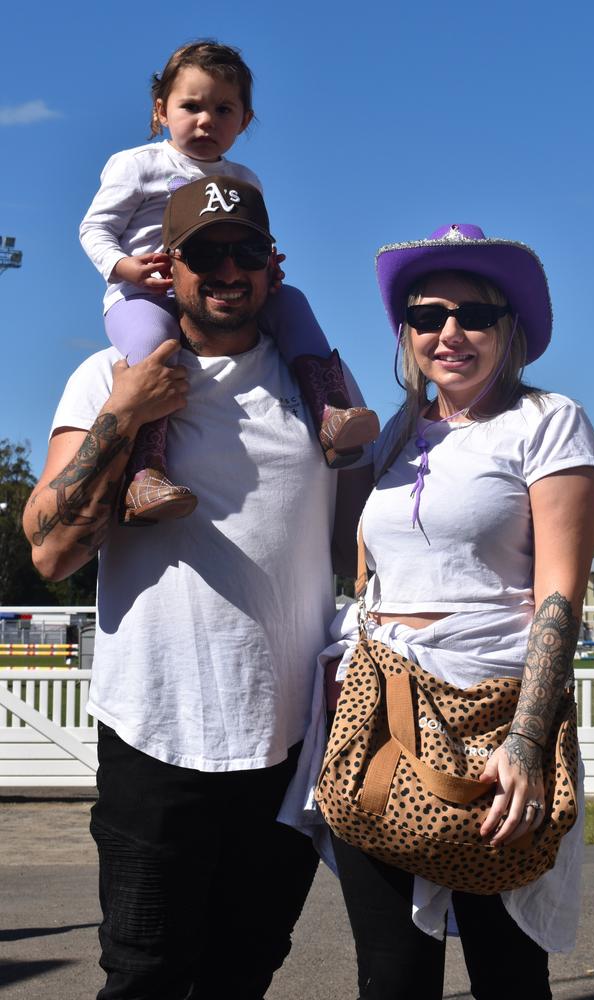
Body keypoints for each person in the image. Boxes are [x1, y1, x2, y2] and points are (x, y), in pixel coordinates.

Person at [24, 175, 372, 1000]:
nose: (227, 269)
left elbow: (360, 542)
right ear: (166, 268)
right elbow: (49, 550)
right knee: (144, 976)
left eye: (244, 249)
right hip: (157, 731)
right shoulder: (108, 373)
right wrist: (124, 414)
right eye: (204, 253)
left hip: (290, 739)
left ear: (272, 264)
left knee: (243, 972)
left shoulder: (315, 384)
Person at [290, 223, 594, 1000]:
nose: (450, 332)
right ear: (407, 333)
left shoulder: (549, 421)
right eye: (429, 317)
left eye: (475, 315)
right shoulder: (397, 436)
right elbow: (366, 570)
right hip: (379, 717)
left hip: (495, 719)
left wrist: (528, 742)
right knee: (391, 976)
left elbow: (559, 595)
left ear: (513, 330)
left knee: (506, 974)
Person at [80, 39, 378, 523]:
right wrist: (123, 266)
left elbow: (255, 238)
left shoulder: (244, 178)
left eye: (223, 109)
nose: (206, 121)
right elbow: (94, 227)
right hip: (145, 295)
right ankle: (145, 473)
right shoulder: (137, 164)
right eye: (190, 106)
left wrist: (268, 266)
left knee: (293, 303)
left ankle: (329, 412)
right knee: (156, 347)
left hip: (220, 293)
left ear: (244, 120)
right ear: (161, 111)